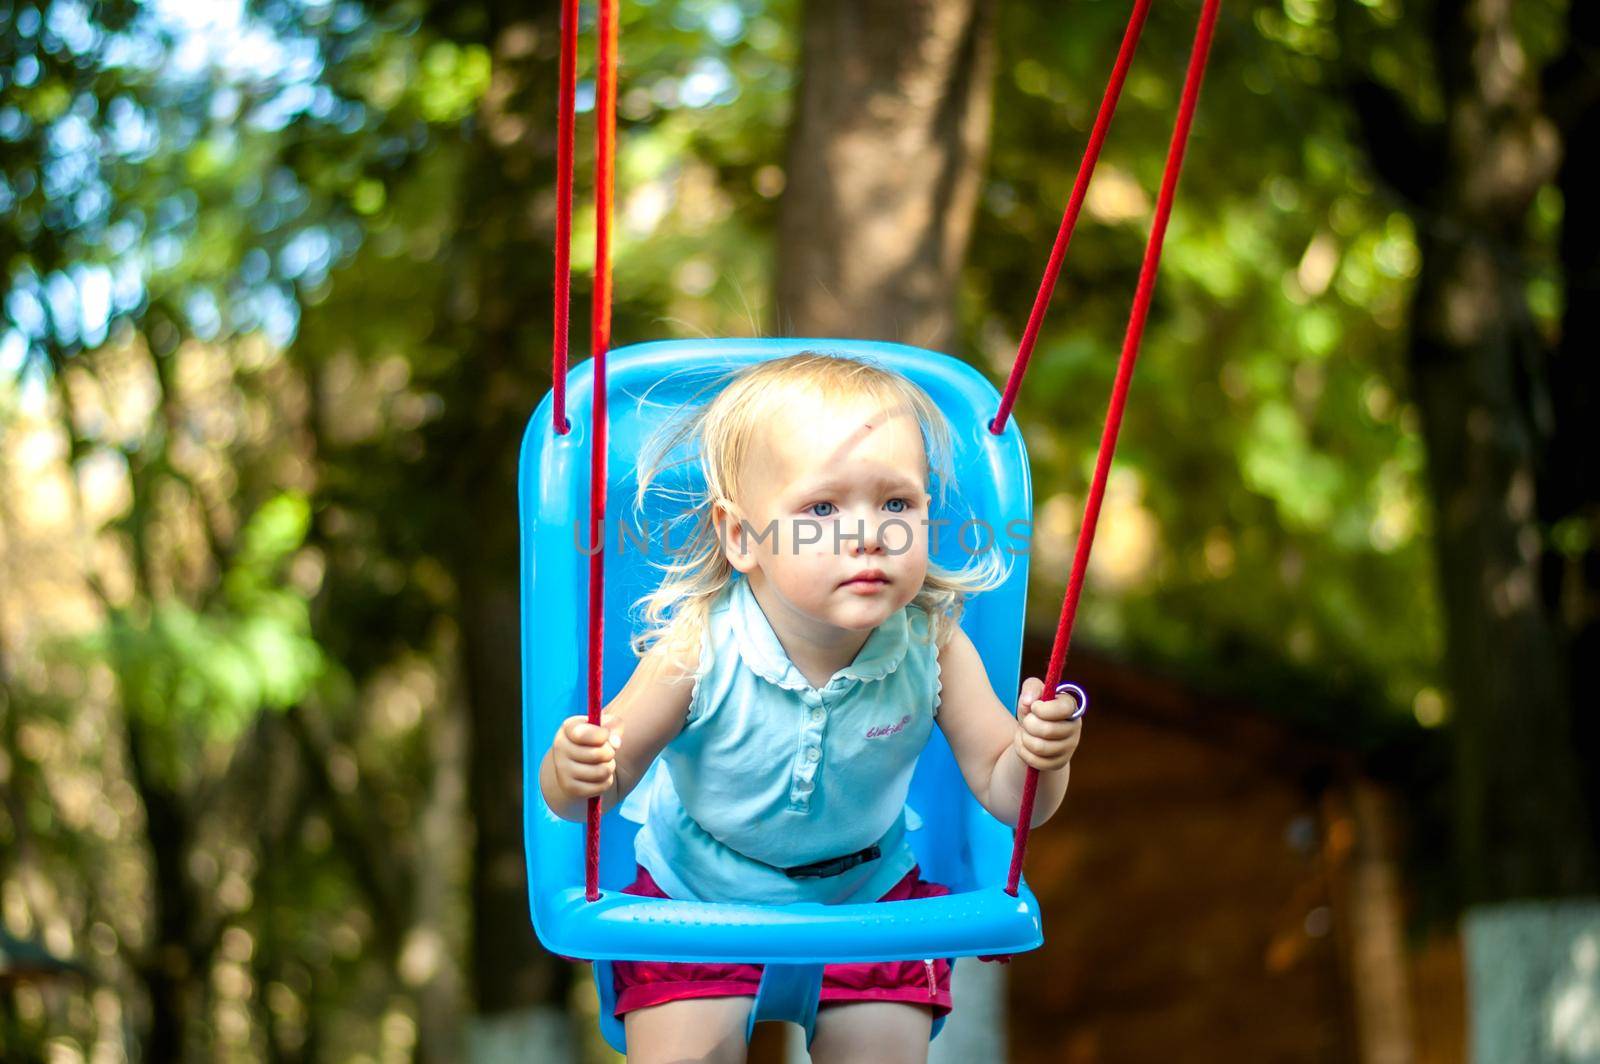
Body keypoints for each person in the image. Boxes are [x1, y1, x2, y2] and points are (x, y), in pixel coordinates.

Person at [539, 353, 1084, 1064]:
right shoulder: (699, 644)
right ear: (741, 536)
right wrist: (574, 768)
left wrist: (1040, 757)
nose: (869, 533)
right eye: (822, 508)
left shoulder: (934, 643)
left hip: (868, 900)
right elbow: (595, 788)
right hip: (699, 901)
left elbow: (1010, 796)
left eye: (897, 504)